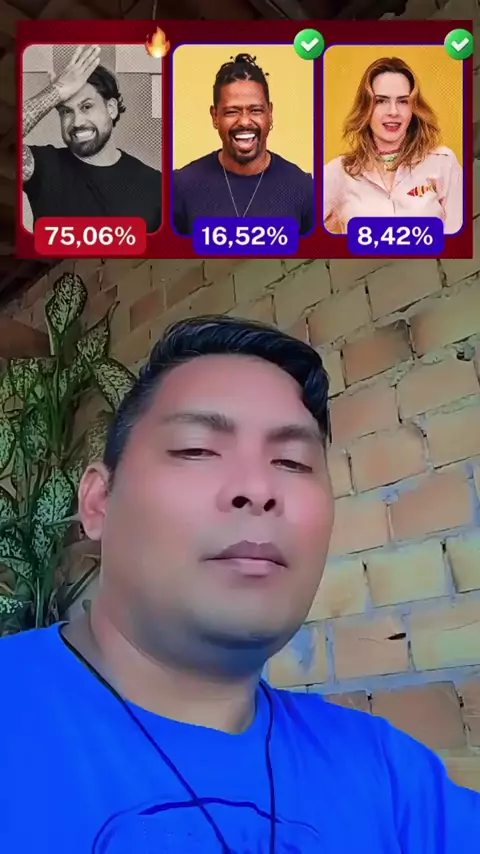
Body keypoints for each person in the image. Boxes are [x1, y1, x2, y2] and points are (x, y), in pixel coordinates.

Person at [1, 315, 479, 853]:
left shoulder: (393, 783)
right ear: (98, 503)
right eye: (196, 449)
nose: (258, 487)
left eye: (292, 461)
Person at [23, 44, 162, 232]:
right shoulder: (43, 166)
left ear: (111, 109)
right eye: (66, 111)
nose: (77, 122)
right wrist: (55, 92)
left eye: (86, 107)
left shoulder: (155, 185)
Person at [173, 53, 315, 236]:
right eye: (232, 112)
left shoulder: (303, 188)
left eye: (255, 110)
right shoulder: (181, 187)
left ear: (270, 114)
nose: (245, 121)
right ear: (215, 116)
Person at [324, 56, 463, 234]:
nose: (393, 112)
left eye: (403, 101)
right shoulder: (338, 172)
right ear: (366, 108)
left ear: (414, 108)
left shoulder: (443, 162)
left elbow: (459, 242)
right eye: (381, 101)